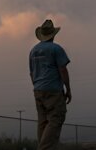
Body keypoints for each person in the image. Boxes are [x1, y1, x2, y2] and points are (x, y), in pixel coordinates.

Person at [29, 19, 72, 150]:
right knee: (56, 119)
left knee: (43, 122)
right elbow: (63, 69)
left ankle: (42, 146)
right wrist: (68, 89)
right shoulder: (56, 49)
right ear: (53, 35)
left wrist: (37, 87)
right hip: (53, 90)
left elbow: (32, 73)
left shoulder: (33, 51)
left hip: (38, 90)